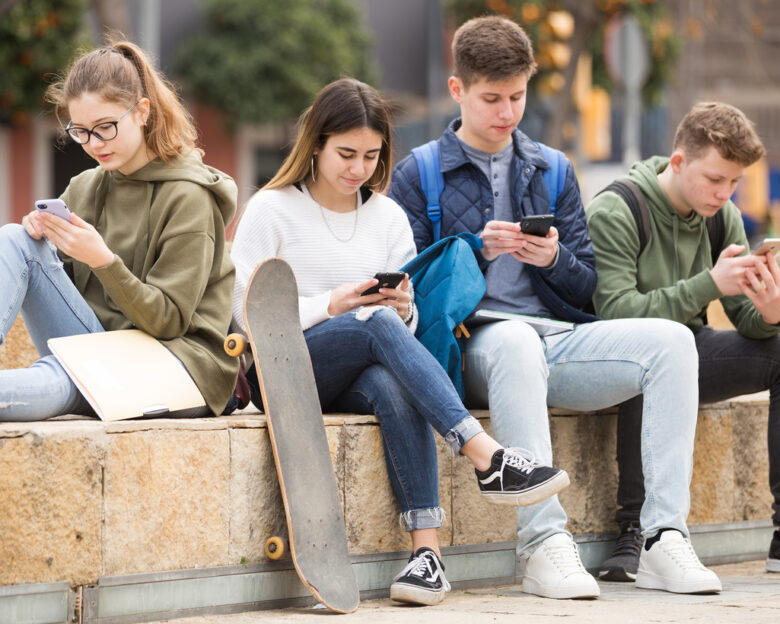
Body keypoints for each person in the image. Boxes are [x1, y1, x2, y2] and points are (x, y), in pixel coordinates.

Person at [390, 15, 722, 599]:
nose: (507, 112)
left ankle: (662, 537)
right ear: (457, 90)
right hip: (474, 343)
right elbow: (404, 288)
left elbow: (588, 288)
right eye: (491, 98)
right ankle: (543, 543)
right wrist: (475, 251)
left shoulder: (554, 168)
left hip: (556, 338)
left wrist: (552, 260)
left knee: (672, 341)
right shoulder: (417, 173)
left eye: (517, 96)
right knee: (515, 342)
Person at [230, 78, 569, 607]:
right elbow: (245, 318)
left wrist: (404, 309)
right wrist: (334, 305)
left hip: (357, 366)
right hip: (286, 369)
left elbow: (400, 334)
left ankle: (425, 556)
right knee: (374, 324)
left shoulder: (386, 216)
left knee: (390, 378)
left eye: (371, 155)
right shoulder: (271, 209)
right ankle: (487, 456)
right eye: (345, 153)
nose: (358, 168)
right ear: (315, 144)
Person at [586, 102, 780, 578]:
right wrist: (709, 284)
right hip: (610, 358)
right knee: (657, 347)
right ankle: (635, 530)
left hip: (691, 350)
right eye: (715, 179)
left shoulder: (722, 217)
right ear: (677, 162)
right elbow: (615, 314)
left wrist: (771, 314)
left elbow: (743, 319)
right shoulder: (617, 209)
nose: (725, 193)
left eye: (734, 182)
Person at [0, 41, 238, 421]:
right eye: (81, 131)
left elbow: (170, 321)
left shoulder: (189, 196)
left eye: (105, 127)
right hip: (104, 351)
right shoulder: (85, 187)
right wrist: (40, 237)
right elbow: (49, 282)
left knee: (65, 379)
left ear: (142, 111)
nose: (94, 144)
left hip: (179, 363)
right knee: (15, 237)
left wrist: (102, 260)